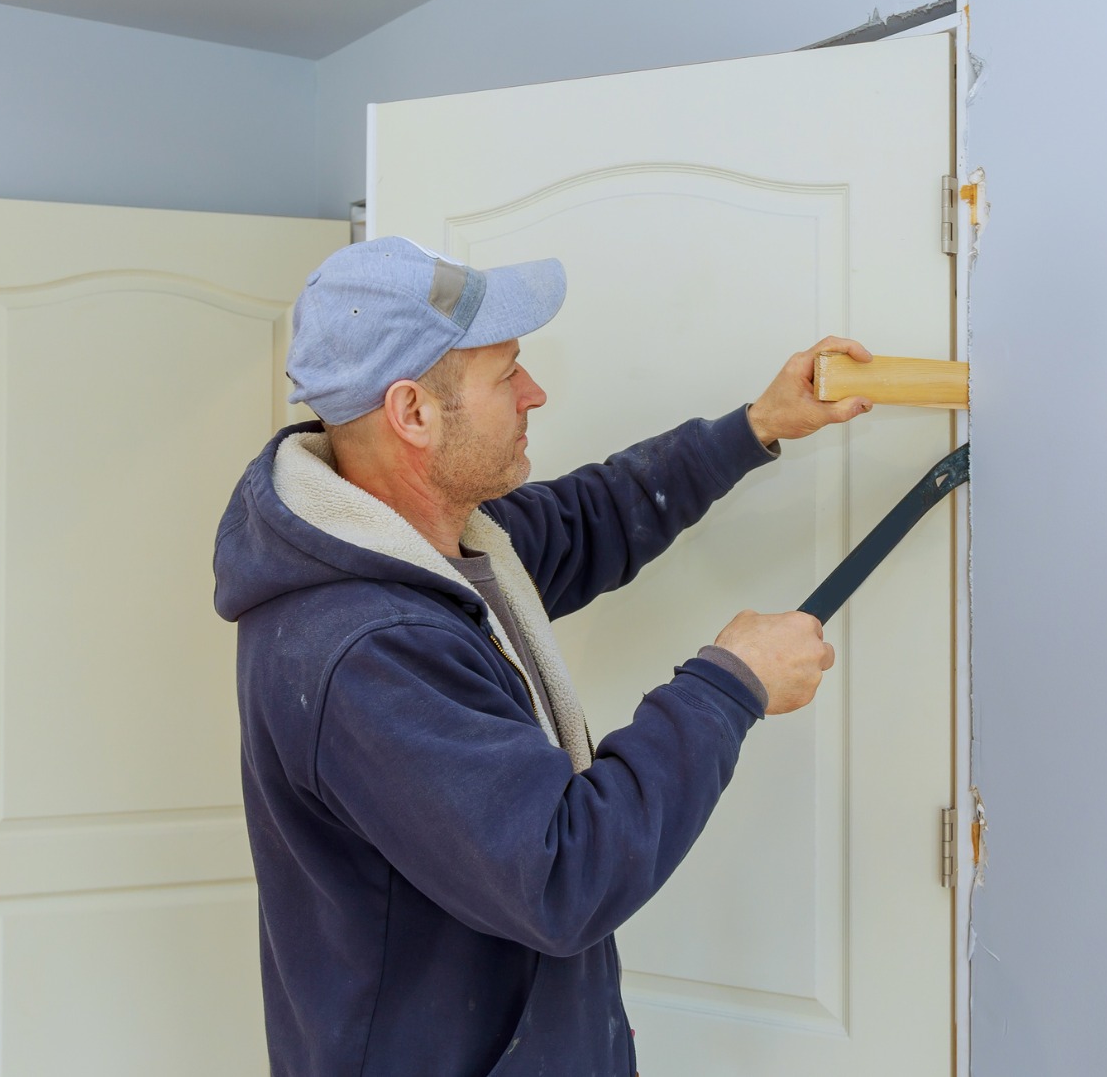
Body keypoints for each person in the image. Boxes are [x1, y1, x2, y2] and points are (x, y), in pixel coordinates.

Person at [213, 236, 874, 1077]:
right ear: (413, 412)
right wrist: (728, 686)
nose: (536, 393)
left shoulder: (434, 549)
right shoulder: (367, 653)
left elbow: (588, 519)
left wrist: (756, 427)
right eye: (506, 374)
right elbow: (563, 874)